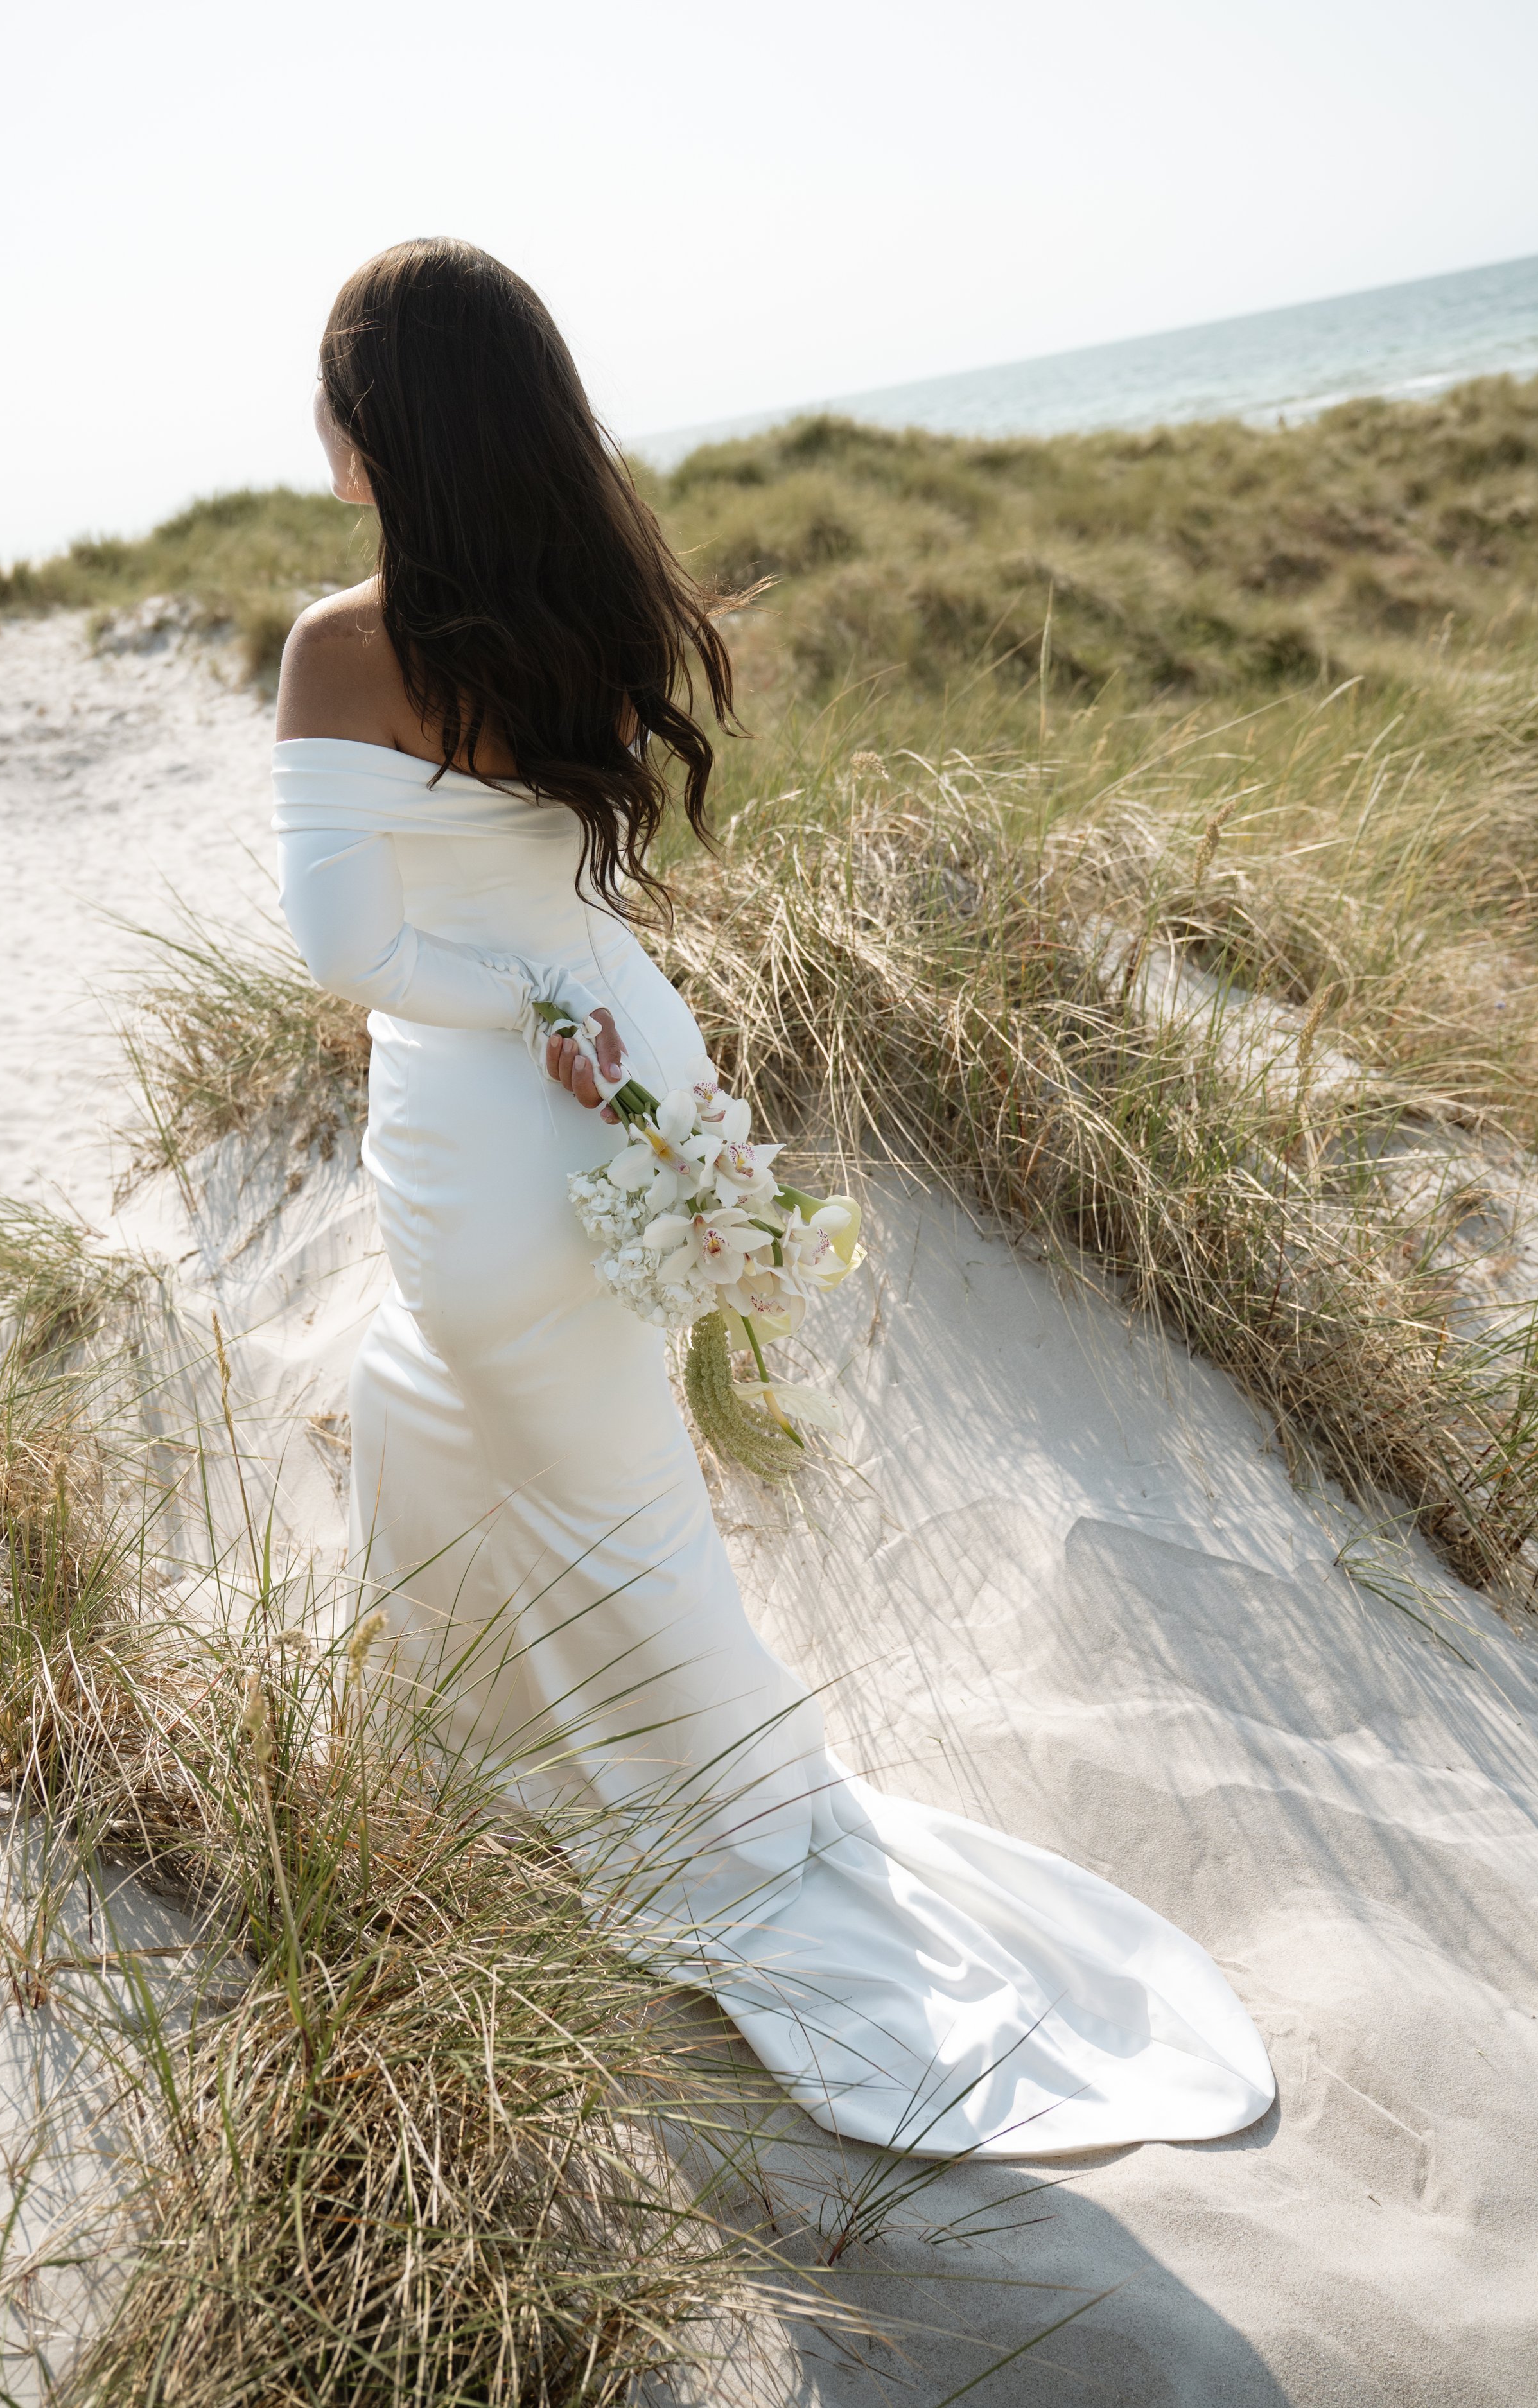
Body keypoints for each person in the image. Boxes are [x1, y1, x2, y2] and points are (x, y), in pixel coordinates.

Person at [272, 237, 1275, 2158]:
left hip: (512, 1106)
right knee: (484, 1432)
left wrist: (531, 1000)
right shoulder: (589, 593)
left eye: (324, 385)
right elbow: (566, 888)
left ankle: (721, 1829)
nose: (308, 420)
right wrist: (574, 998)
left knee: (607, 1495)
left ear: (377, 418)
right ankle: (520, 1785)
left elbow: (348, 950)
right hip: (638, 1079)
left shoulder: (345, 641)